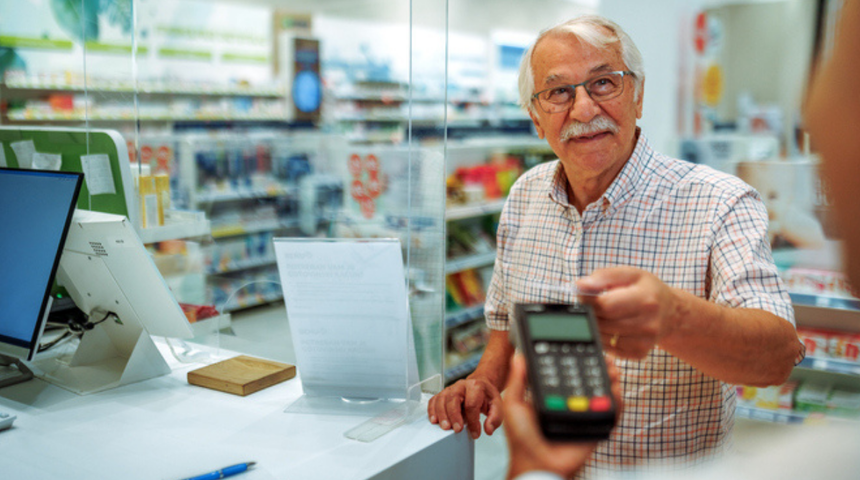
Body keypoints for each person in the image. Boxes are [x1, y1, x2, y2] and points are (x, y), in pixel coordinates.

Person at [428, 14, 806, 478]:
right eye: (558, 92)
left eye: (604, 83)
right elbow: (506, 326)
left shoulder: (720, 202)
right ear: (535, 118)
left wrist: (674, 315)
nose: (584, 109)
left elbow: (776, 357)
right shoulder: (525, 195)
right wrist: (483, 379)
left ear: (638, 95)